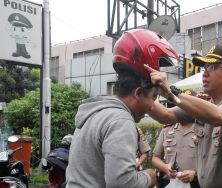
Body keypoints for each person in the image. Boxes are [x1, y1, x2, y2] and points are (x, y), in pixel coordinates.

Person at [66, 29, 179, 188]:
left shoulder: (95, 112)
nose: (152, 106)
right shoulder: (120, 121)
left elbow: (169, 116)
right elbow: (122, 183)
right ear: (139, 93)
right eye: (153, 98)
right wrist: (150, 176)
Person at [145, 45, 222, 188]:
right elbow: (165, 115)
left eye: (212, 67)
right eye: (205, 68)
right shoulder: (202, 105)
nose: (205, 74)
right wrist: (144, 90)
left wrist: (171, 92)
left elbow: (219, 115)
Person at [152, 120, 201, 188]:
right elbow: (155, 158)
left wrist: (195, 173)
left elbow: (211, 161)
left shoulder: (203, 129)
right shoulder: (167, 129)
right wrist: (165, 168)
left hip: (195, 184)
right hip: (168, 183)